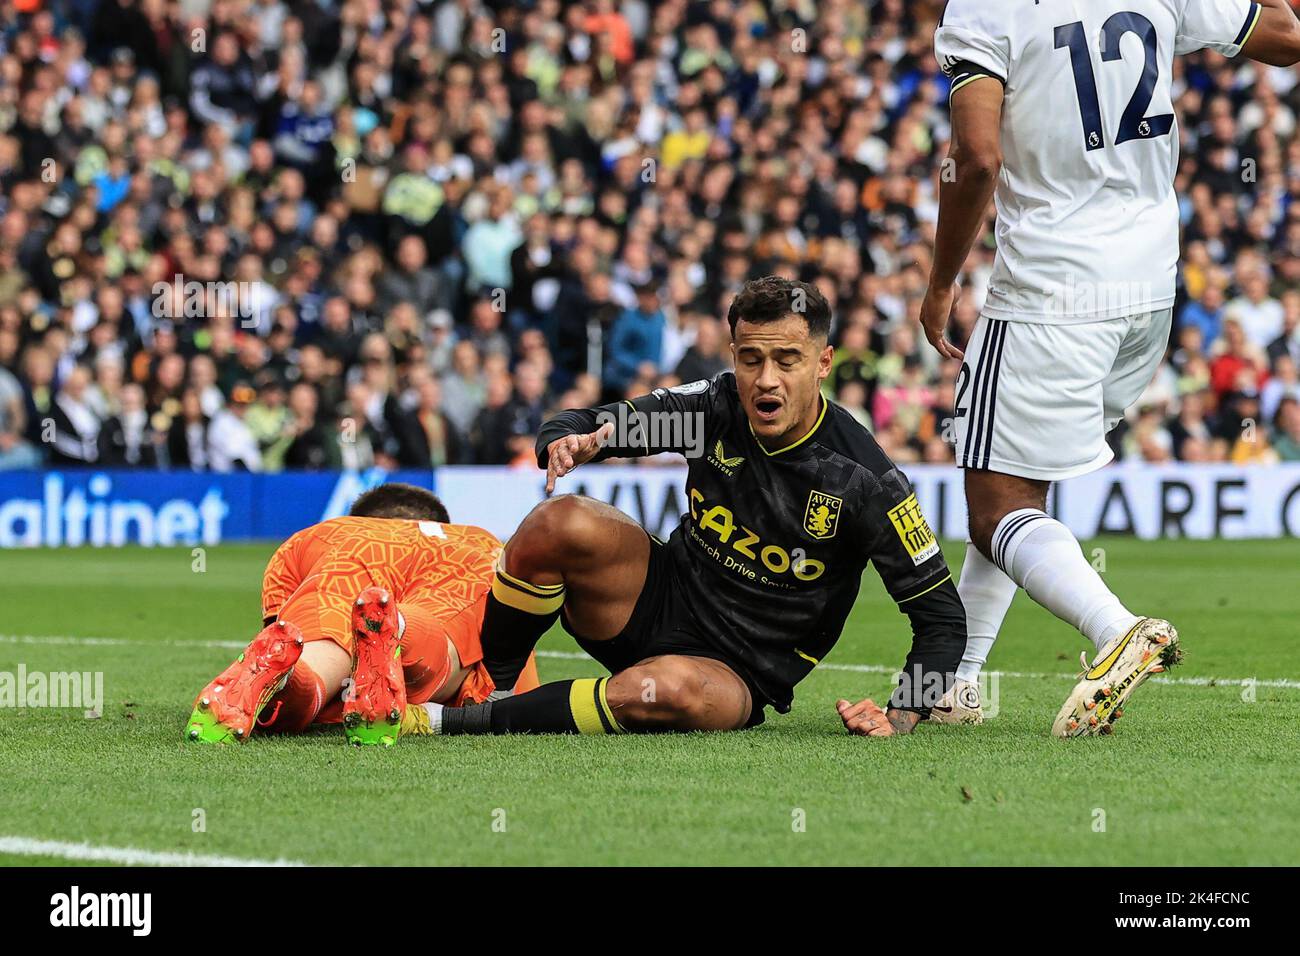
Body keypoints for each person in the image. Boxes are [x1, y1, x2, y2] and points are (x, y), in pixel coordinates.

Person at [920, 0, 1300, 736]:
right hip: (1152, 287)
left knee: (996, 503)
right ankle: (953, 686)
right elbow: (1286, 36)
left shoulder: (983, 7)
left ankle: (1116, 628)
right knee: (1014, 484)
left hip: (1053, 286)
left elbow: (977, 159)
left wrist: (941, 284)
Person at [411, 277, 967, 738]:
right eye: (751, 360)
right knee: (558, 521)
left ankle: (456, 722)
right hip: (651, 602)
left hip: (737, 670)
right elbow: (587, 421)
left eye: (787, 360)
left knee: (670, 691)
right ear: (734, 357)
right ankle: (496, 685)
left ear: (822, 363)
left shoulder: (864, 480)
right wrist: (568, 441)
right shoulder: (713, 410)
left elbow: (941, 620)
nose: (765, 379)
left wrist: (901, 714)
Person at [184, 483, 540, 746]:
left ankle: (290, 682)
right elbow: (515, 686)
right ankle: (397, 628)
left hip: (350, 546)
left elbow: (282, 626)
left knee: (319, 652)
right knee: (443, 640)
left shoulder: (326, 532)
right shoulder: (478, 539)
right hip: (464, 557)